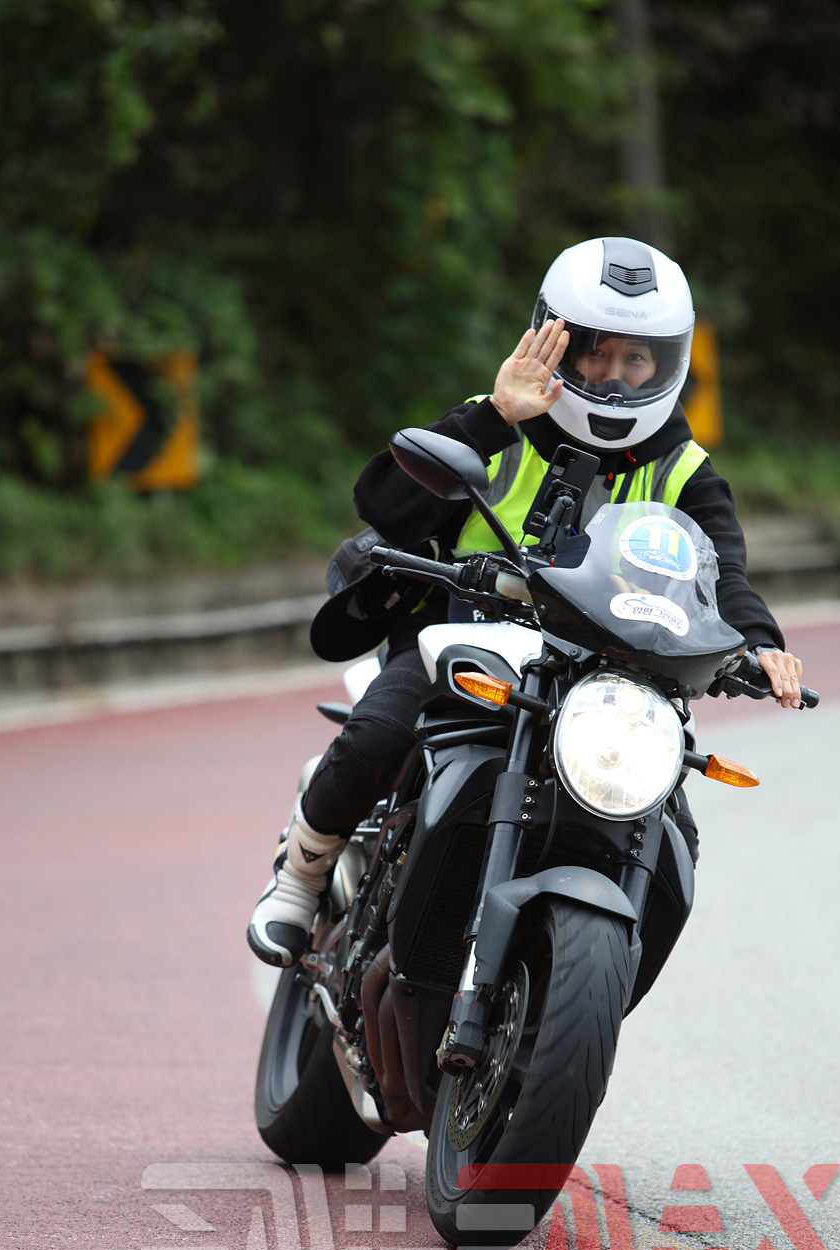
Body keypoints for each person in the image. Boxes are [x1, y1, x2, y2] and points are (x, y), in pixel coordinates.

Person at [248, 237, 804, 967]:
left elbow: (723, 573)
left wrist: (760, 642)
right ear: (557, 343)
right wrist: (496, 416)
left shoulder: (685, 469)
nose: (614, 376)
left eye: (637, 359)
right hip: (465, 635)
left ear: (670, 362)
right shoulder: (499, 421)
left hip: (606, 669)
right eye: (596, 353)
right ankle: (301, 873)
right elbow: (381, 501)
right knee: (381, 735)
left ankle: (580, 986)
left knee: (673, 836)